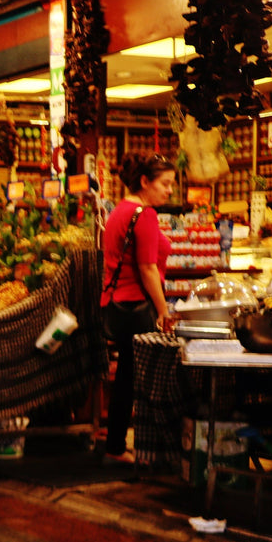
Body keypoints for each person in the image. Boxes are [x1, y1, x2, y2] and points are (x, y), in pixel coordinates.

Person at [100, 152, 175, 464]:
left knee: (128, 376)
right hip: (135, 304)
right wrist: (163, 310)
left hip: (117, 302)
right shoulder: (144, 213)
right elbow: (146, 268)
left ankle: (116, 444)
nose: (170, 190)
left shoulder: (121, 209)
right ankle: (120, 447)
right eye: (166, 183)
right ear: (145, 182)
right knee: (135, 378)